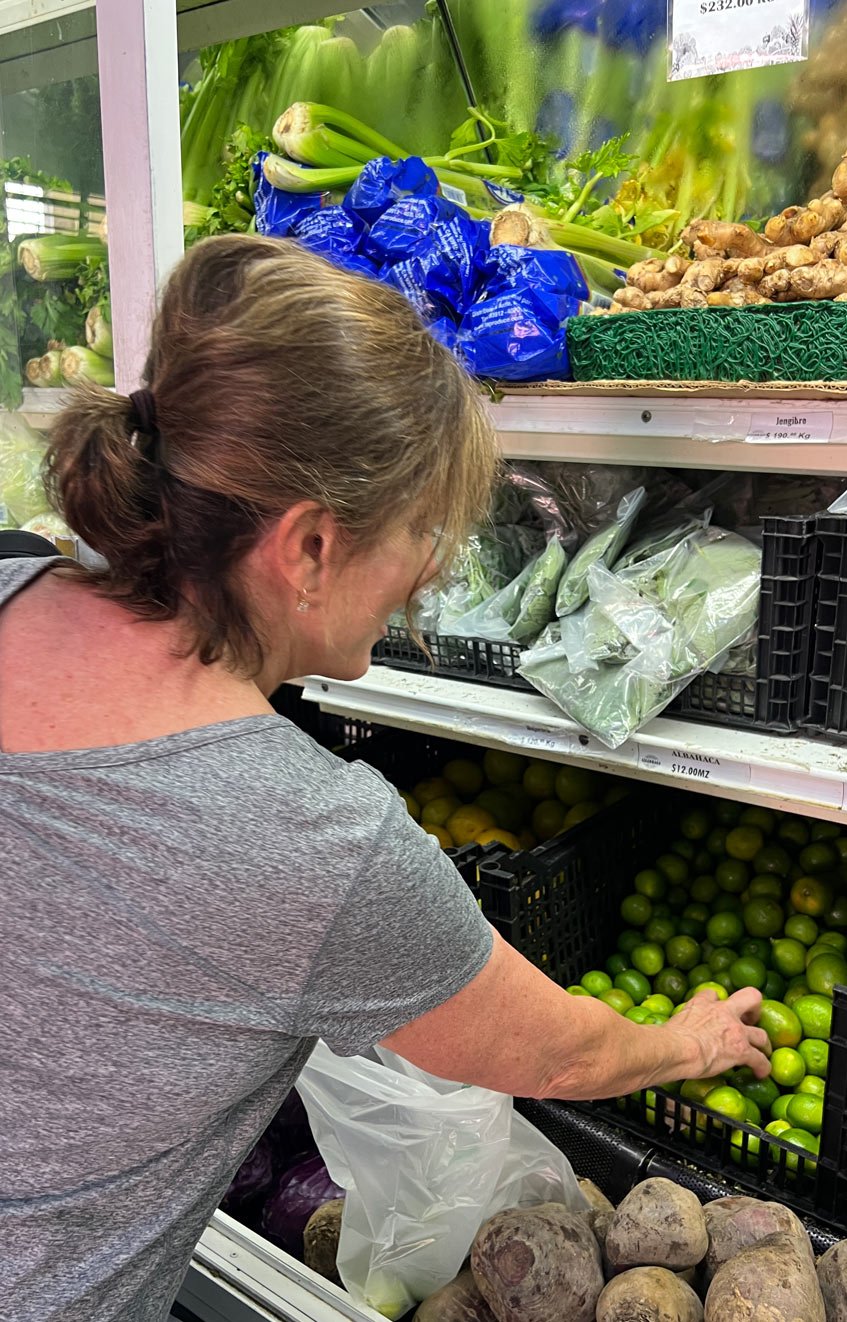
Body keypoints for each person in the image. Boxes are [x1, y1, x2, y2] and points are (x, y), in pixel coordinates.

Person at [0, 234, 769, 1322]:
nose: (437, 568)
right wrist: (686, 1041)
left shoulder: (9, 576)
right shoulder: (307, 837)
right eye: (421, 527)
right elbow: (553, 1046)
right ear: (309, 547)